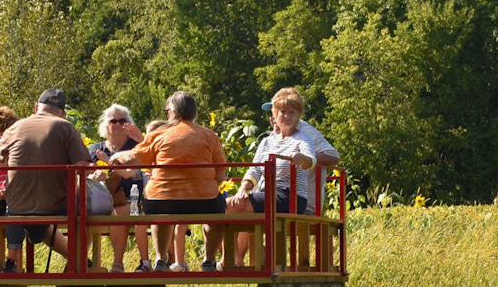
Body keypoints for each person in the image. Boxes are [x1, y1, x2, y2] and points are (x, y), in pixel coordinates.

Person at [113, 91, 229, 271]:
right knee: (217, 210)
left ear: (173, 112)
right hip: (204, 201)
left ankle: (161, 259)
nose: (167, 115)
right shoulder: (210, 135)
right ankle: (209, 260)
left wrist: (117, 156)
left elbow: (134, 158)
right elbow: (221, 175)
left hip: (161, 201)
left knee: (159, 211)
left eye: (167, 111)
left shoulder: (159, 135)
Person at [225, 87, 333, 266]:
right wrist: (242, 190)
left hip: (290, 196)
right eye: (283, 111)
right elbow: (255, 170)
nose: (287, 116)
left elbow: (311, 158)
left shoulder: (302, 138)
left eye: (292, 112)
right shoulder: (267, 141)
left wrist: (302, 159)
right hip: (269, 194)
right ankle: (235, 258)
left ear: (298, 116)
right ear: (274, 114)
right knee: (230, 204)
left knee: (230, 207)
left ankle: (236, 259)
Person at [0, 89, 90, 271]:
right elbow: (82, 168)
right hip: (57, 205)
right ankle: (79, 259)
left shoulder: (14, 128)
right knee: (90, 207)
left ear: (36, 107)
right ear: (63, 113)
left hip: (17, 205)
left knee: (29, 216)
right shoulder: (66, 127)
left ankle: (14, 262)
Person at [87, 104, 144, 272]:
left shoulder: (136, 146)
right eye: (113, 121)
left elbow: (138, 171)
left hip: (131, 199)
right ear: (106, 124)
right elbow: (85, 173)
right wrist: (94, 176)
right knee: (82, 214)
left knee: (117, 214)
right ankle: (80, 261)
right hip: (100, 199)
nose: (118, 124)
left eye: (122, 120)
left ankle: (117, 264)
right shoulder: (96, 148)